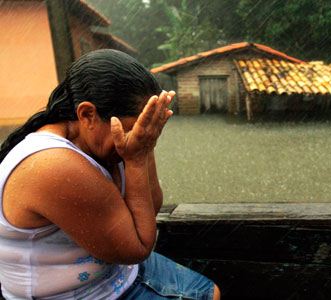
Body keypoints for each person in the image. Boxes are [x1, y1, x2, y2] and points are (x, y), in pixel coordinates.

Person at [0, 49, 220, 300]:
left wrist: (145, 146)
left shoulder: (104, 141)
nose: (136, 138)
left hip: (114, 275)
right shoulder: (54, 165)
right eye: (132, 129)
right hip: (77, 293)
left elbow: (152, 205)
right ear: (87, 115)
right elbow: (138, 247)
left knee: (210, 293)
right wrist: (137, 158)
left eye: (144, 128)